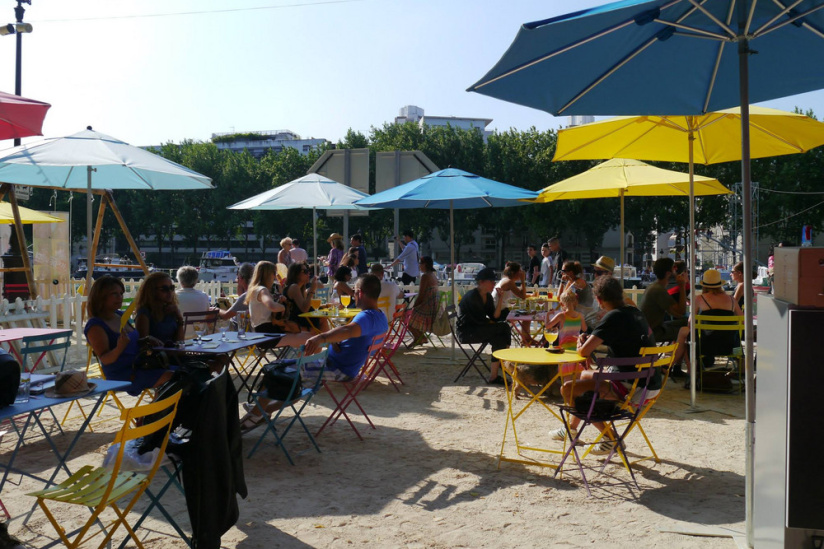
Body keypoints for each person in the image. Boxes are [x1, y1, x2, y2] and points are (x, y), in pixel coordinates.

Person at [239, 274, 388, 433]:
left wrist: (322, 337)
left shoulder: (366, 316)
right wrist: (337, 341)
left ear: (360, 293)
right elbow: (352, 334)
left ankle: (254, 415)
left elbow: (348, 330)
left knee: (277, 370)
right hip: (341, 366)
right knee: (294, 380)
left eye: (354, 291)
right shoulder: (380, 317)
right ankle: (265, 410)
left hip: (337, 369)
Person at [552, 275, 659, 454]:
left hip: (631, 388)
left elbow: (584, 352)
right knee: (584, 374)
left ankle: (611, 438)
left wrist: (580, 343)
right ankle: (570, 429)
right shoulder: (635, 312)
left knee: (568, 389)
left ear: (599, 300)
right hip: (650, 383)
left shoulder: (613, 317)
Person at [85, 275, 174, 396]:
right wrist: (119, 348)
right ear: (101, 297)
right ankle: (157, 412)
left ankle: (162, 410)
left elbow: (133, 341)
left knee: (185, 371)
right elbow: (105, 359)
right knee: (174, 377)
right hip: (123, 373)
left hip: (141, 365)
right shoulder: (96, 326)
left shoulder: (120, 315)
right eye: (114, 294)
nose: (120, 297)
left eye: (121, 293)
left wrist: (145, 339)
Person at [672, 268, 743, 369]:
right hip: (730, 346)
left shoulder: (699, 299)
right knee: (736, 338)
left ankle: (681, 368)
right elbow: (742, 322)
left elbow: (690, 323)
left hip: (704, 346)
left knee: (685, 332)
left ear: (704, 285)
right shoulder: (731, 300)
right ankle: (741, 369)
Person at [457, 267, 511, 385]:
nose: (493, 284)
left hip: (478, 328)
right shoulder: (472, 297)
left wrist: (500, 299)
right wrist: (493, 325)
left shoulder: (488, 296)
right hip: (467, 332)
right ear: (481, 282)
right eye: (491, 281)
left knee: (499, 338)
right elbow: (478, 321)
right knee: (503, 327)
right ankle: (505, 360)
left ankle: (494, 376)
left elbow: (494, 317)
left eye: (493, 281)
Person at [641, 257, 687, 343]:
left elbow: (675, 312)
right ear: (668, 273)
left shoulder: (654, 287)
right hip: (655, 333)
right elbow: (681, 311)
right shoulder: (659, 290)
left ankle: (680, 354)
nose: (676, 271)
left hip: (648, 330)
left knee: (686, 322)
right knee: (688, 328)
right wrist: (682, 286)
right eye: (674, 268)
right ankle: (681, 355)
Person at [135, 272, 185, 344]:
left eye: (171, 288)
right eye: (164, 289)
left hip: (171, 353)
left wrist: (179, 318)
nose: (169, 292)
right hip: (155, 354)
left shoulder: (172, 310)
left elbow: (180, 342)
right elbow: (143, 344)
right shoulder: (145, 313)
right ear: (152, 291)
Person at [492, 261, 531, 346]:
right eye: (519, 272)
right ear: (514, 273)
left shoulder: (504, 280)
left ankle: (525, 340)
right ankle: (525, 341)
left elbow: (520, 294)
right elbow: (522, 296)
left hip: (498, 311)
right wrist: (523, 280)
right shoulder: (509, 282)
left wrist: (528, 295)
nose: (520, 274)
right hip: (500, 315)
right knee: (527, 316)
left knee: (525, 314)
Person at [283, 262, 327, 332]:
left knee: (322, 318)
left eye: (308, 271)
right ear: (296, 274)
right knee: (322, 319)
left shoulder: (301, 288)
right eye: (305, 271)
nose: (308, 273)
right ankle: (329, 341)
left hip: (302, 320)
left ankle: (329, 341)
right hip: (295, 323)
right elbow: (304, 309)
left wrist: (324, 306)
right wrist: (312, 290)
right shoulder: (294, 287)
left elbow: (308, 305)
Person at [244, 261, 287, 333]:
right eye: (274, 273)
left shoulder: (254, 289)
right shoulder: (262, 290)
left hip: (257, 331)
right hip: (268, 332)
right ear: (268, 275)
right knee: (305, 337)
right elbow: (271, 306)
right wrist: (283, 307)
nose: (275, 276)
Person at [407, 256, 439, 347]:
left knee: (406, 318)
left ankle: (421, 338)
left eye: (420, 263)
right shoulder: (433, 275)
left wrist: (413, 307)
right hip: (433, 309)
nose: (419, 265)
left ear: (425, 264)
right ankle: (419, 338)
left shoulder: (425, 276)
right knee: (409, 316)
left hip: (427, 309)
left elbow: (420, 296)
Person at [175, 265, 212, 338]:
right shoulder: (204, 296)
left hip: (179, 336)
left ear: (180, 280)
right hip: (199, 335)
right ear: (195, 281)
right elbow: (207, 314)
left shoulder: (174, 296)